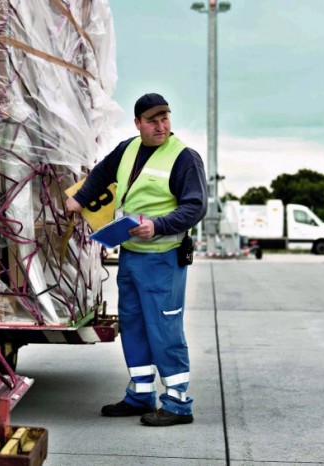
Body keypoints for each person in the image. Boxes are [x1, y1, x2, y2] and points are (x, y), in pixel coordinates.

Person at [66, 93, 207, 427]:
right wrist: (80, 199)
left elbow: (195, 206)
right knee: (134, 327)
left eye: (165, 118)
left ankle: (178, 403)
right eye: (153, 120)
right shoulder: (128, 148)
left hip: (163, 259)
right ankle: (140, 394)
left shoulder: (184, 158)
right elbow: (101, 174)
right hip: (131, 256)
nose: (161, 126)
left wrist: (157, 225)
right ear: (138, 123)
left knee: (164, 329)